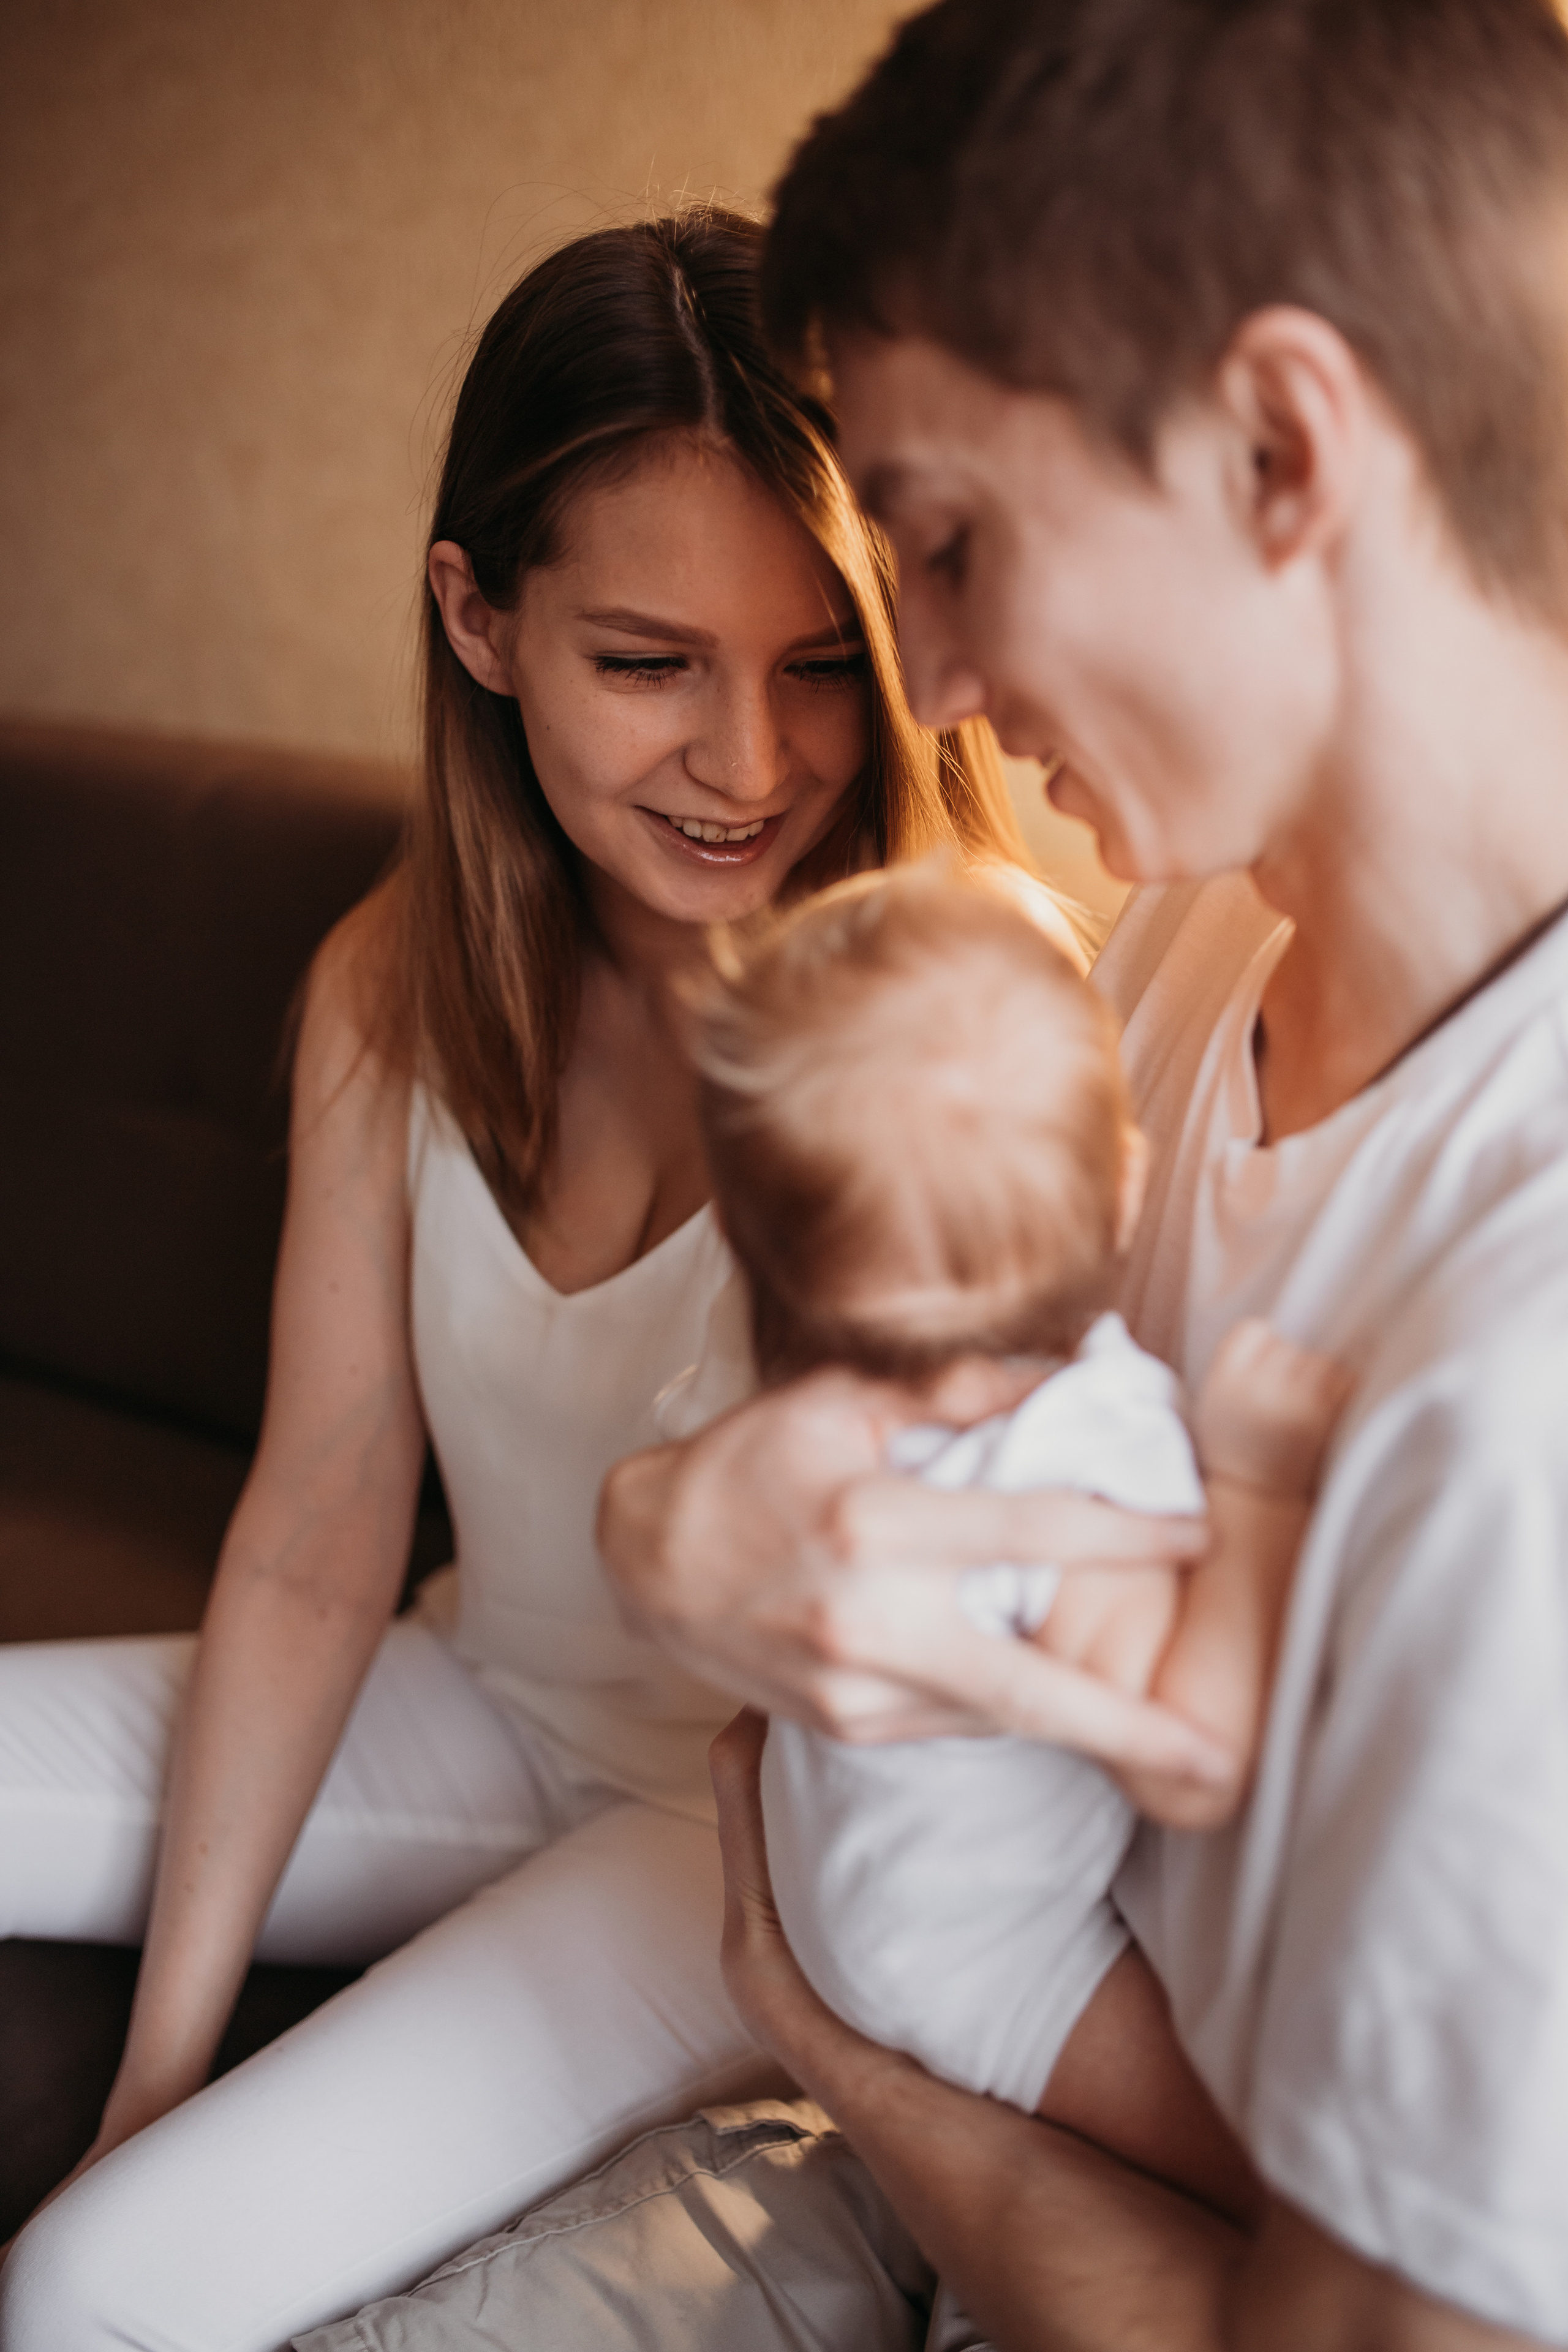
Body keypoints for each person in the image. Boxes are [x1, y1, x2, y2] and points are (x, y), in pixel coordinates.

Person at [0, 208, 1069, 2350]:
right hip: (476, 1694)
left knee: (89, 2295)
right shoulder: (392, 987)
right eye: (649, 662)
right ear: (482, 623)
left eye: (820, 661)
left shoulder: (972, 994)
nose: (751, 765)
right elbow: (312, 1531)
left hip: (748, 1837)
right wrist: (155, 2065)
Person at [597, 5, 1568, 2347]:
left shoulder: (1529, 1371)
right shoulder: (1190, 939)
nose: (916, 689)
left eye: (941, 540)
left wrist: (854, 2046)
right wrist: (682, 1530)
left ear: (1275, 444)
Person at [672, 862, 1344, 2211]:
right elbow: (1191, 1762)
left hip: (844, 1886)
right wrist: (1260, 1489)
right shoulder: (1090, 1448)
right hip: (982, 1966)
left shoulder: (827, 1405)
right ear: (1123, 1190)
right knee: (1287, 2180)